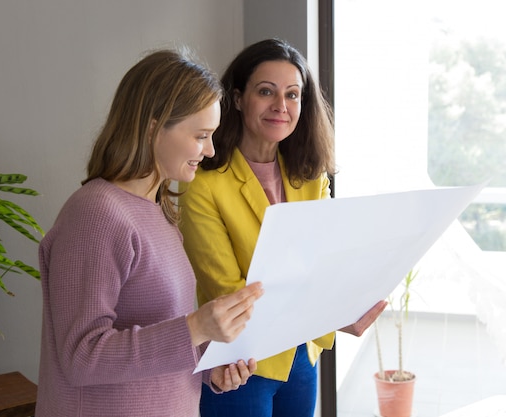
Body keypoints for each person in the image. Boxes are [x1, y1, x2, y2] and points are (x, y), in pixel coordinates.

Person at [35, 48, 264, 417]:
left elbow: (161, 335)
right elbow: (82, 356)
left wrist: (209, 364)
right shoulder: (95, 214)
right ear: (154, 127)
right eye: (201, 135)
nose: (209, 150)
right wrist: (196, 327)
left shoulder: (159, 212)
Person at [178, 38, 387, 417]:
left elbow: (323, 264)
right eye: (266, 92)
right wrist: (331, 313)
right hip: (241, 362)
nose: (281, 106)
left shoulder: (310, 176)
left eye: (293, 95)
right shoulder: (203, 183)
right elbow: (229, 293)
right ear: (238, 99)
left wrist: (344, 307)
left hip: (300, 357)